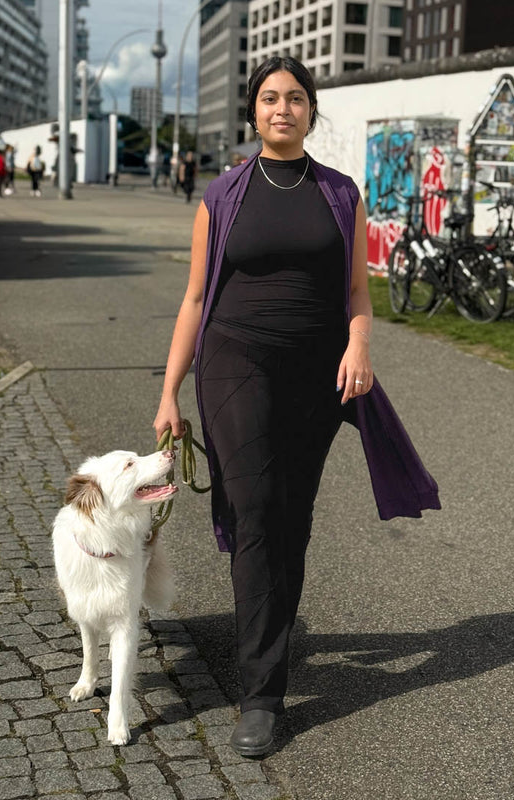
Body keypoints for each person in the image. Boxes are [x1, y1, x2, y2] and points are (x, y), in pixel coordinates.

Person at [153, 55, 440, 758]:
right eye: (269, 98)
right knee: (255, 509)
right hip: (235, 363)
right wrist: (168, 391)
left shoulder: (340, 194)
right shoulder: (223, 195)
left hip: (316, 374)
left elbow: (359, 294)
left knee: (290, 518)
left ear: (312, 110)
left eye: (295, 98)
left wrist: (359, 345)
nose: (282, 108)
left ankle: (269, 663)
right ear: (253, 111)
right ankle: (260, 697)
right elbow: (194, 298)